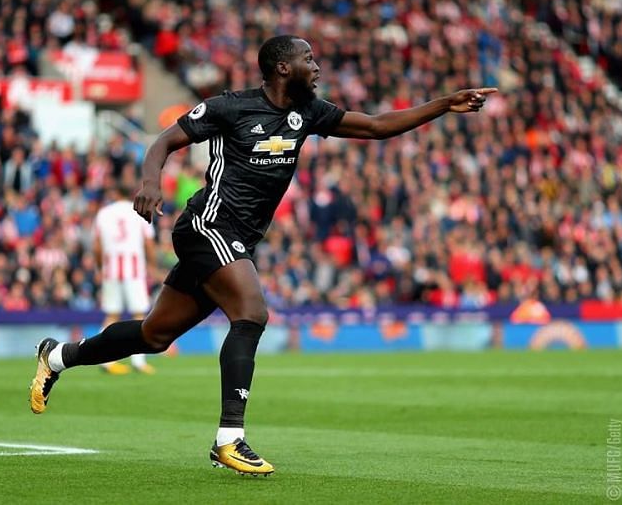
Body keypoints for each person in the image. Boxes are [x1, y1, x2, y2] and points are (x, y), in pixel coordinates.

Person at [29, 35, 495, 475]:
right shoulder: (230, 107)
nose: (316, 67)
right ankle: (229, 439)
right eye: (308, 60)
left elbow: (374, 126)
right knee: (251, 313)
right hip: (205, 227)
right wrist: (151, 182)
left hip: (236, 240)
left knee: (154, 335)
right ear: (282, 67)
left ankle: (57, 359)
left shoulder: (308, 112)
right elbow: (164, 140)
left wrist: (443, 105)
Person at [93, 185, 157, 375]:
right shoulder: (139, 211)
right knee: (139, 314)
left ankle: (102, 358)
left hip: (111, 269)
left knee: (112, 315)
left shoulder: (103, 213)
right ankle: (138, 361)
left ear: (115, 194)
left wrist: (99, 268)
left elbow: (97, 246)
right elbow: (148, 242)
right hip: (134, 269)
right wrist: (152, 265)